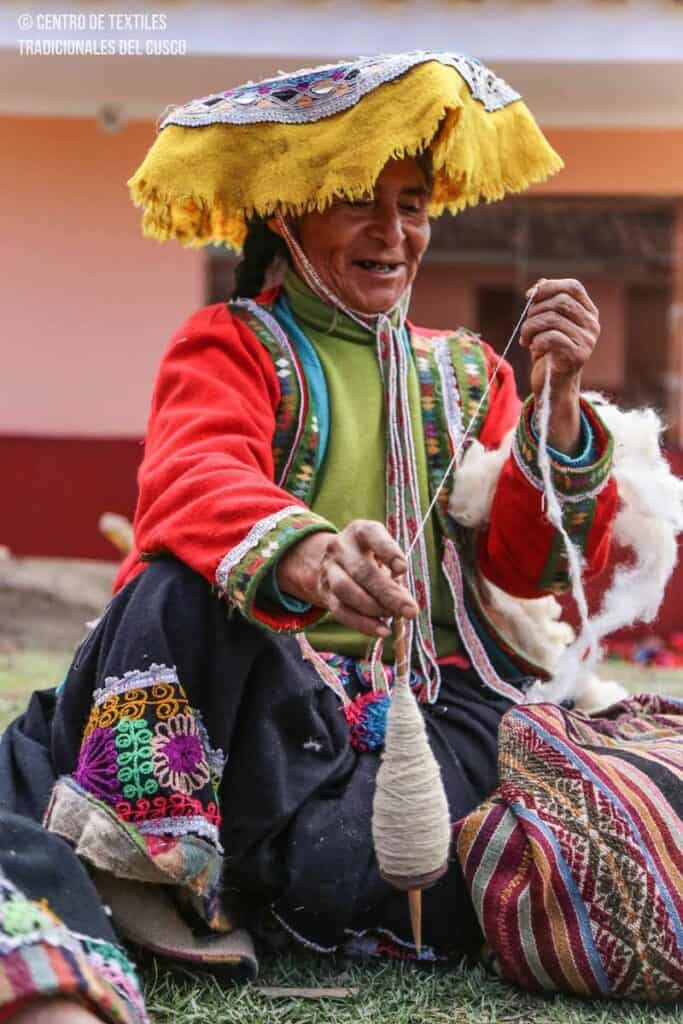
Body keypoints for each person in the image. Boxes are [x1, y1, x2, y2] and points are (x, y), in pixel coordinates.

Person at [5, 51, 675, 1021]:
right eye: (357, 198)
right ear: (286, 211)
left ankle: (260, 879)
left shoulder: (463, 373)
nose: (392, 231)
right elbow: (193, 480)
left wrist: (556, 405)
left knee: (425, 853)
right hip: (255, 706)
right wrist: (311, 555)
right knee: (176, 584)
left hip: (419, 710)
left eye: (411, 203)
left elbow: (524, 564)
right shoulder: (231, 343)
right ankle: (148, 863)